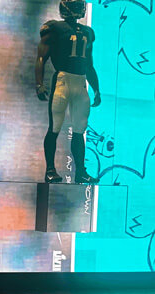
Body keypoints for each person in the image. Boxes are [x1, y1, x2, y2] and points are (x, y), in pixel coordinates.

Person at [35, 0, 101, 184]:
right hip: (62, 80)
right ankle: (50, 169)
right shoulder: (54, 28)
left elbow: (89, 64)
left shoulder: (87, 32)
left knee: (79, 130)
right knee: (55, 127)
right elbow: (41, 57)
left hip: (80, 82)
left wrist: (96, 89)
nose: (79, 6)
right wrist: (39, 83)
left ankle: (80, 171)